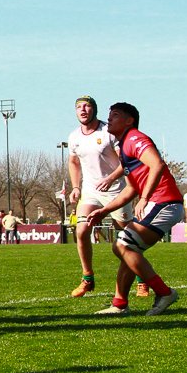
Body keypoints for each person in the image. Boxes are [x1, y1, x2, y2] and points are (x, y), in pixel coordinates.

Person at [86, 103, 184, 316]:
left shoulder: (135, 138)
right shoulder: (124, 145)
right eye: (109, 115)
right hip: (159, 203)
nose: (109, 119)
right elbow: (131, 188)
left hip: (164, 202)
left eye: (116, 115)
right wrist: (103, 211)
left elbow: (157, 164)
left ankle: (164, 292)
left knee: (123, 245)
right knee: (128, 248)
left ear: (129, 121)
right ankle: (119, 304)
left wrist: (146, 198)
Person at [66, 96, 133, 298]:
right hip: (90, 191)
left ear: (94, 109)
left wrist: (112, 178)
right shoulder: (74, 137)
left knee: (127, 238)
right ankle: (87, 278)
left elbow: (126, 161)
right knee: (81, 230)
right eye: (79, 107)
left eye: (87, 106)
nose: (83, 110)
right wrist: (76, 187)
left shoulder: (108, 132)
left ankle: (140, 278)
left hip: (116, 190)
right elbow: (74, 162)